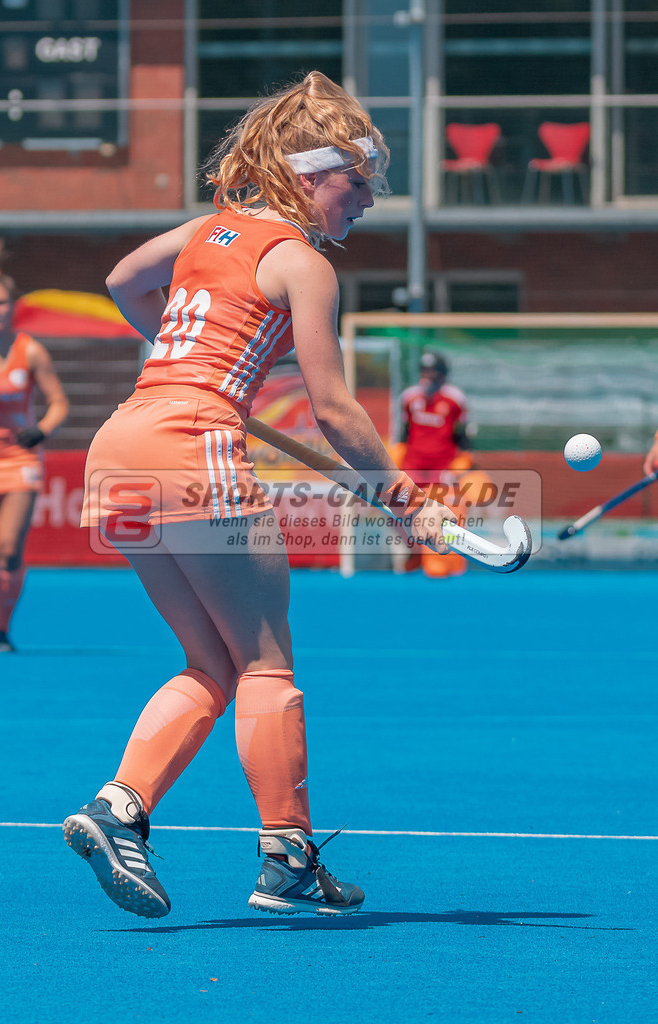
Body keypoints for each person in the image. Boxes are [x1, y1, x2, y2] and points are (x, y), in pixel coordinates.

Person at [62, 71, 456, 920]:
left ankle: (116, 810)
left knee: (212, 662)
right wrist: (405, 501)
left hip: (120, 449)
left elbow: (125, 281)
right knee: (266, 663)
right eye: (359, 182)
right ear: (312, 175)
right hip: (196, 450)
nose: (368, 201)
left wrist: (181, 356)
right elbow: (336, 408)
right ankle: (285, 858)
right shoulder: (300, 263)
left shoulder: (209, 229)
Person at [0, 245, 69, 652]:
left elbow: (60, 401)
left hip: (19, 461)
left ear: (12, 307)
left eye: (1, 302)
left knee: (9, 550)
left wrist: (42, 430)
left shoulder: (29, 349)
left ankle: (0, 629)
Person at [393, 349, 479, 578]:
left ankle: (451, 561)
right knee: (397, 512)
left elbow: (463, 438)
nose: (427, 377)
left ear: (442, 375)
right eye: (424, 371)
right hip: (413, 468)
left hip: (442, 471)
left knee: (449, 516)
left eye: (433, 372)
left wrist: (461, 465)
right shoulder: (409, 397)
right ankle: (414, 554)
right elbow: (405, 434)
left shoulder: (455, 399)